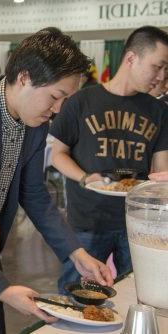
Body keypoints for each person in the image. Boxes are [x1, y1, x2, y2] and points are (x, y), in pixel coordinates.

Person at [0, 28, 114, 334]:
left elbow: (35, 195)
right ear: (25, 77)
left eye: (65, 100)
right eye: (56, 97)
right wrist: (3, 289)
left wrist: (77, 253)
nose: (57, 110)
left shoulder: (34, 121)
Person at [50, 26, 168, 292]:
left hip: (137, 222)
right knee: (77, 293)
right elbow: (58, 155)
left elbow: (161, 169)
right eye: (156, 66)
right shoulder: (81, 101)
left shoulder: (159, 111)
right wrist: (84, 177)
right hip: (87, 220)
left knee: (138, 292)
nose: (161, 76)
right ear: (130, 59)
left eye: (166, 69)